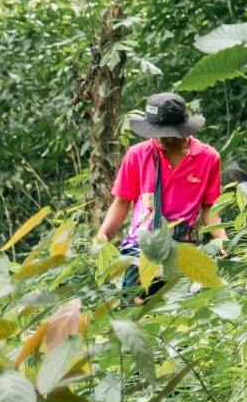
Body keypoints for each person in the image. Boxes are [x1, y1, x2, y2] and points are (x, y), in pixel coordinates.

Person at [96, 92, 227, 294]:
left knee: (179, 312)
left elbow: (209, 207)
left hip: (184, 246)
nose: (161, 138)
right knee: (134, 310)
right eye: (156, 132)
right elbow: (122, 202)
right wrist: (103, 234)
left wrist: (222, 240)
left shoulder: (208, 157)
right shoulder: (138, 154)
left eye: (167, 133)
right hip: (140, 246)